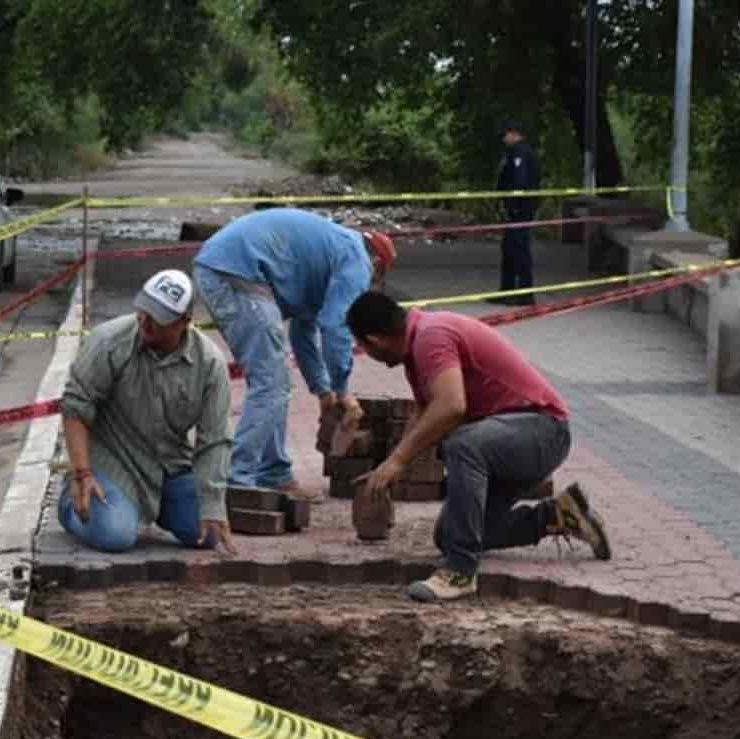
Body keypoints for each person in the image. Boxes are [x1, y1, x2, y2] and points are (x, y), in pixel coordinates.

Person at [347, 290, 611, 603]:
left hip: (542, 430)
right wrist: (389, 466)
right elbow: (424, 413)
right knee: (450, 534)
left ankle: (460, 571)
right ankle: (559, 516)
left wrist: (400, 461)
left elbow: (451, 407)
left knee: (462, 444)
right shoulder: (418, 346)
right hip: (510, 441)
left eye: (362, 345)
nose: (364, 352)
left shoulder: (431, 337)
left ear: (375, 340)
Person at [193, 208, 397, 494]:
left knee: (274, 382)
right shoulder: (357, 259)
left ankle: (274, 473)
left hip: (226, 267)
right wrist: (342, 390)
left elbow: (304, 332)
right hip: (236, 273)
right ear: (377, 263)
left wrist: (323, 392)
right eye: (375, 278)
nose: (367, 286)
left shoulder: (328, 255)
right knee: (271, 384)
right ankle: (237, 480)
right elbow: (335, 327)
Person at [57, 268, 237, 555]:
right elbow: (75, 407)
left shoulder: (210, 364)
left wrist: (213, 504)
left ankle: (150, 508)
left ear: (184, 322)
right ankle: (70, 505)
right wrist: (82, 474)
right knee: (116, 535)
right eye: (144, 310)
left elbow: (215, 439)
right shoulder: (109, 342)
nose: (146, 321)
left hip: (169, 467)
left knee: (207, 533)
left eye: (158, 317)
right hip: (113, 461)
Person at [496, 122, 538, 306]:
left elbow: (519, 180)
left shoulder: (521, 152)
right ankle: (507, 290)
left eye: (505, 135)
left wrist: (514, 204)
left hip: (520, 209)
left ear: (514, 133)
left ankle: (525, 293)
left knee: (519, 250)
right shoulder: (517, 152)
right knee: (509, 248)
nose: (504, 139)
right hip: (518, 208)